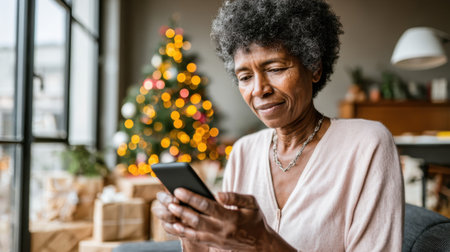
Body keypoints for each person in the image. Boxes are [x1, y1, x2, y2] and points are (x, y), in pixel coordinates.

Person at [152, 0, 404, 251]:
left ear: (314, 67)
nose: (259, 90)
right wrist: (193, 231)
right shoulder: (243, 152)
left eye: (275, 68)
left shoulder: (367, 145)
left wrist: (262, 242)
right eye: (245, 77)